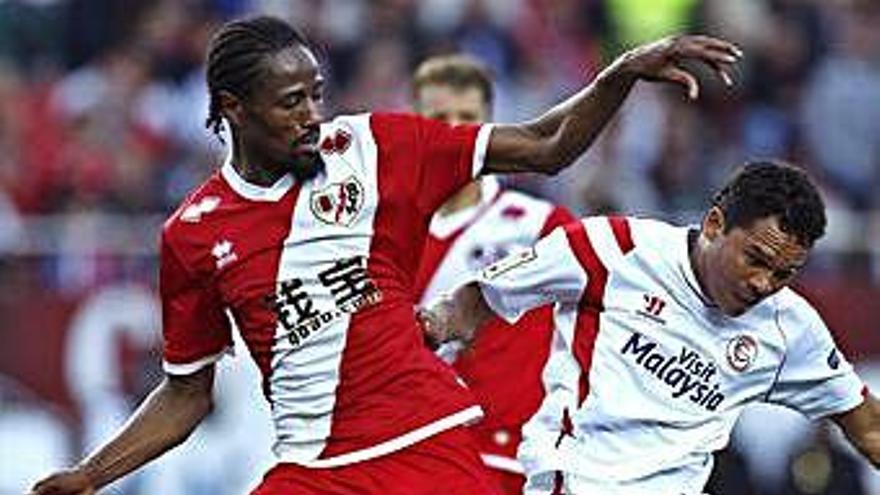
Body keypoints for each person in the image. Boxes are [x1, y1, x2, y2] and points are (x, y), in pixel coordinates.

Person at [29, 15, 741, 495]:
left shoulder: (373, 148)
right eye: (289, 102)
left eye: (315, 93)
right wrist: (90, 475)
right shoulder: (193, 234)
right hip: (312, 465)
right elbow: (186, 390)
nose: (312, 114)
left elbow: (547, 145)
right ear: (232, 108)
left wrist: (616, 75)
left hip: (427, 439)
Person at [421, 161, 880, 494]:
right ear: (715, 224)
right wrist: (435, 324)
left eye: (784, 274)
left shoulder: (790, 329)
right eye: (756, 259)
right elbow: (481, 297)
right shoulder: (611, 249)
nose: (764, 284)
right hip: (577, 480)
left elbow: (867, 426)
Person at [411, 54, 576, 494]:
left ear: (490, 127)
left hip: (516, 457)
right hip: (422, 455)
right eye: (439, 118)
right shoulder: (390, 232)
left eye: (469, 118)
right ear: (415, 124)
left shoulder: (541, 226)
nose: (456, 130)